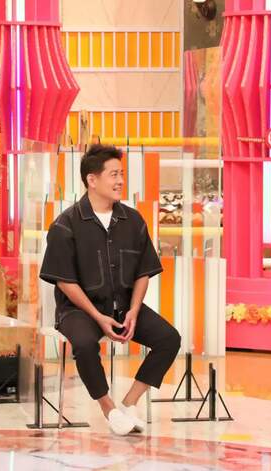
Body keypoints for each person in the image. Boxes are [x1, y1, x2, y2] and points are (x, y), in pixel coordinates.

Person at [40, 144, 181, 435]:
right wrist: (97, 316)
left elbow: (144, 271)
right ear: (92, 180)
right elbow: (65, 281)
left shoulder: (133, 220)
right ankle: (109, 409)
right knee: (84, 344)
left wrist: (134, 310)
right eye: (114, 174)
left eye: (122, 174)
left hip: (124, 307)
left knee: (169, 338)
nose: (120, 181)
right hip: (79, 310)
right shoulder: (65, 225)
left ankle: (129, 403)